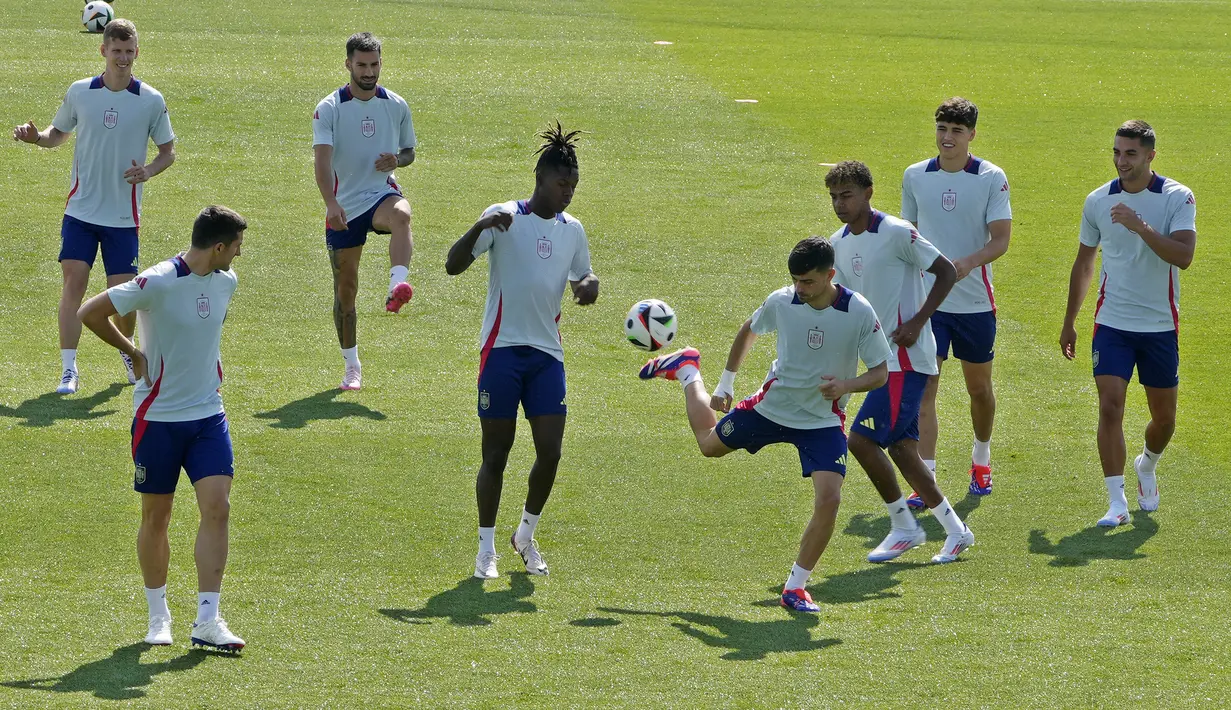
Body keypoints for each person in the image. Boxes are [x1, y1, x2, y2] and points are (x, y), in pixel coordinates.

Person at [639, 237, 891, 613]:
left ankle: (795, 587)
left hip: (822, 421)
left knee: (830, 499)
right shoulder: (782, 301)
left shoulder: (858, 312)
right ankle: (688, 370)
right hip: (771, 409)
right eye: (795, 281)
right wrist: (725, 383)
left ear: (830, 275)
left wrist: (846, 386)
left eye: (807, 282)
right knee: (708, 445)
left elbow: (881, 373)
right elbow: (749, 329)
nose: (799, 289)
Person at [77, 206, 249, 652]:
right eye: (236, 247)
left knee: (218, 508)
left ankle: (208, 621)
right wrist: (133, 352)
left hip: (209, 416)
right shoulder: (157, 281)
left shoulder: (226, 283)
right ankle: (159, 617)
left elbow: (203, 335)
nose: (237, 255)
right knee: (157, 517)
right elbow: (91, 312)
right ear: (218, 247)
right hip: (158, 420)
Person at [444, 123, 600, 580]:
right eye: (561, 184)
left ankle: (525, 536)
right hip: (502, 353)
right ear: (540, 177)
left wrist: (589, 285)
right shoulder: (504, 215)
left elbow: (581, 277)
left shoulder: (574, 231)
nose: (569, 193)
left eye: (573, 186)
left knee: (550, 451)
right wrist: (480, 225)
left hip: (547, 356)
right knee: (497, 453)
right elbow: (452, 266)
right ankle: (485, 549)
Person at [12, 18, 175, 395]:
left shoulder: (151, 99)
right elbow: (58, 135)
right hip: (81, 212)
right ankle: (69, 370)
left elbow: (168, 152)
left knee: (124, 299)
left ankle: (129, 353)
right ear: (103, 51)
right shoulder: (80, 92)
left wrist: (148, 170)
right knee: (74, 284)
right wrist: (37, 138)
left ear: (137, 52)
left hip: (122, 217)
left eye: (129, 51)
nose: (122, 58)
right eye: (116, 51)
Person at [825, 160, 976, 564]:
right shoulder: (837, 244)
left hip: (906, 359)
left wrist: (918, 321)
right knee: (904, 451)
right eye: (834, 197)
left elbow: (945, 271)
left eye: (847, 195)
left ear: (869, 192)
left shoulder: (896, 232)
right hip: (879, 365)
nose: (840, 204)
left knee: (861, 440)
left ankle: (904, 526)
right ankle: (956, 532)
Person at [1060, 120, 1196, 527]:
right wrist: (1070, 320)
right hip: (1112, 323)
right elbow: (1085, 262)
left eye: (1130, 153)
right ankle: (1116, 502)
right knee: (1109, 406)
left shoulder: (1177, 197)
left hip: (1159, 326)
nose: (1121, 161)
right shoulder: (1098, 201)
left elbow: (1183, 256)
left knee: (1164, 420)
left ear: (1151, 155)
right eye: (1117, 152)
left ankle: (1147, 466)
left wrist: (1140, 226)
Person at [901, 97, 1012, 504]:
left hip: (975, 303)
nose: (947, 138)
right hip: (931, 305)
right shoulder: (915, 176)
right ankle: (924, 478)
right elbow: (908, 236)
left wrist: (968, 262)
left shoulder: (990, 177)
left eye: (956, 131)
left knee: (979, 389)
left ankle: (981, 459)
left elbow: (1000, 239)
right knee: (926, 389)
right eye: (942, 129)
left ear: (972, 135)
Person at [312, 31, 417, 391]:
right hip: (344, 207)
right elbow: (322, 163)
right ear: (348, 65)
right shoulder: (329, 109)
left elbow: (409, 152)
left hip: (379, 195)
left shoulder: (397, 105)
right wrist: (330, 203)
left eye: (374, 65)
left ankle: (396, 285)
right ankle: (351, 364)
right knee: (346, 291)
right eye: (362, 65)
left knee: (403, 214)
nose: (369, 72)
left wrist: (397, 160)